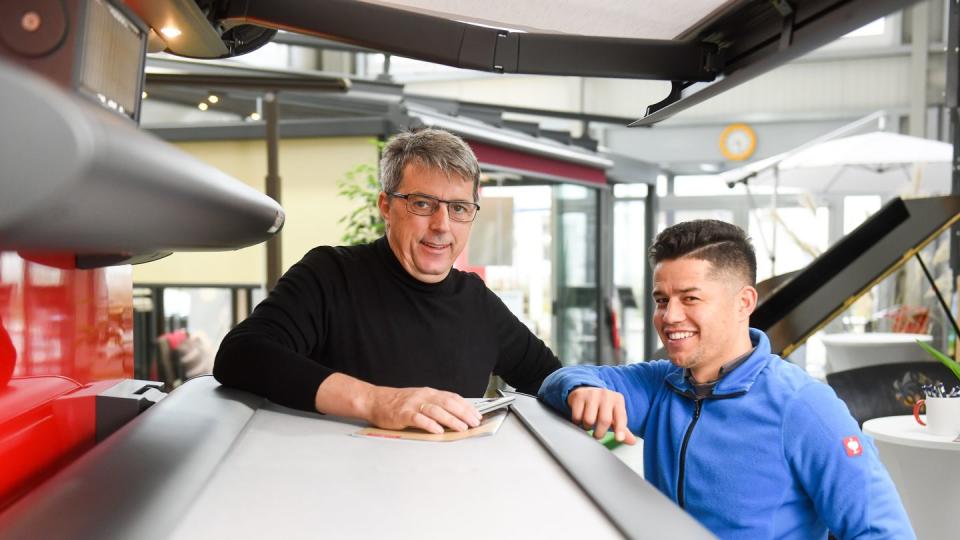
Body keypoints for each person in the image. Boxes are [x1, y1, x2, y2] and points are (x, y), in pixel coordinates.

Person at [538, 220, 913, 539]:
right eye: (661, 300)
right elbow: (559, 379)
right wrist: (582, 389)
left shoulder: (804, 407)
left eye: (690, 298)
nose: (669, 317)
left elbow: (882, 531)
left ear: (744, 302)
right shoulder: (660, 383)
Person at [215, 128, 560, 435]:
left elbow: (547, 377)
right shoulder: (330, 274)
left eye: (458, 208)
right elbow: (241, 355)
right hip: (334, 490)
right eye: (422, 204)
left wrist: (583, 389)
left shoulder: (478, 303)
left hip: (449, 490)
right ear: (385, 206)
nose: (442, 225)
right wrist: (377, 402)